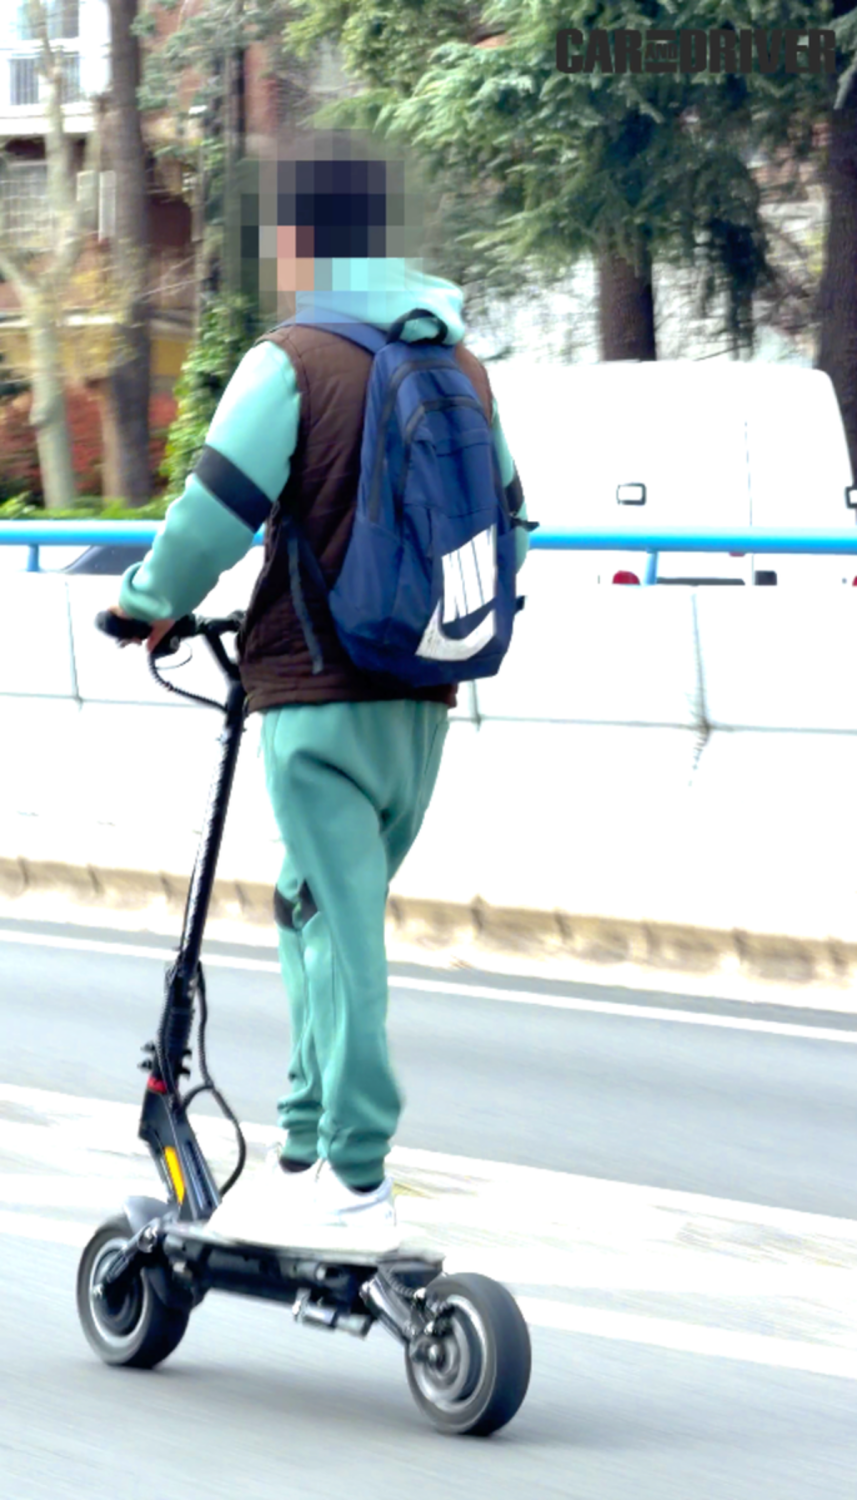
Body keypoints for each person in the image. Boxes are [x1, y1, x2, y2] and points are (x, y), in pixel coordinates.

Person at [110, 129, 531, 1255]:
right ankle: (301, 1154)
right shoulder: (461, 365)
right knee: (315, 906)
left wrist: (147, 600)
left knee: (337, 930)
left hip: (316, 689)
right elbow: (513, 527)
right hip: (424, 694)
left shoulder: (290, 359)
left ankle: (355, 1172)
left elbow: (211, 514)